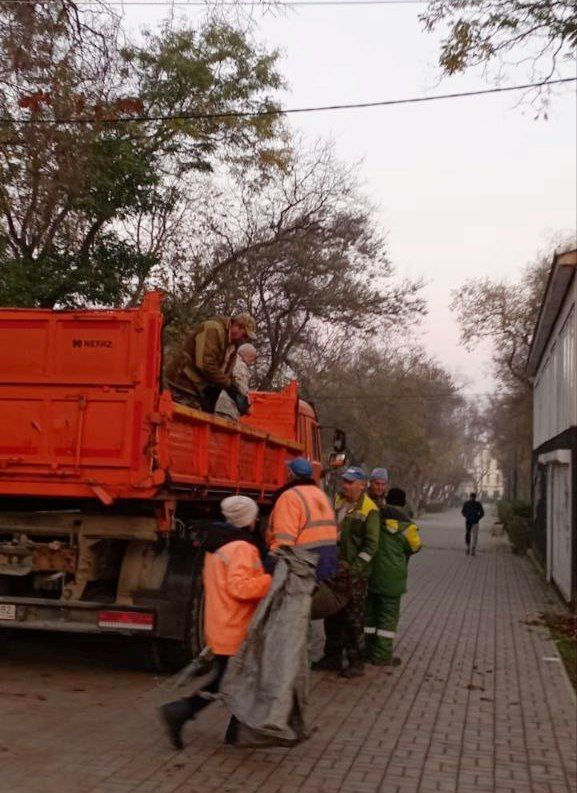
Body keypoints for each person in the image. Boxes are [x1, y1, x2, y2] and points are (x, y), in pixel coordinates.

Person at [160, 495, 272, 750]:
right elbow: (240, 588)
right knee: (228, 681)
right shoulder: (242, 548)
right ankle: (181, 711)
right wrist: (270, 578)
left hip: (221, 623)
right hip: (237, 627)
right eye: (254, 515)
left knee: (230, 680)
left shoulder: (217, 544)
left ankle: (231, 729)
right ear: (247, 520)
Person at [313, 467, 379, 678]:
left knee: (353, 619)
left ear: (362, 485)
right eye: (344, 481)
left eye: (350, 482)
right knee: (332, 616)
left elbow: (371, 546)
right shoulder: (338, 501)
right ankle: (331, 657)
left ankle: (355, 661)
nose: (345, 485)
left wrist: (356, 569)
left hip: (353, 575)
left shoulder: (370, 509)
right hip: (334, 569)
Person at [365, 487, 421, 667]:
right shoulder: (408, 526)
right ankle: (381, 656)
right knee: (388, 617)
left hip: (372, 574)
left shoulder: (375, 518)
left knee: (370, 614)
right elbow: (415, 547)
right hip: (393, 579)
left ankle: (367, 651)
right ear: (403, 503)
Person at [165, 313, 256, 413]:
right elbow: (205, 364)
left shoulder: (232, 345)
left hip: (198, 389)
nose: (244, 339)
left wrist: (237, 394)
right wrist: (228, 386)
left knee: (202, 418)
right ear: (237, 326)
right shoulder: (213, 329)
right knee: (191, 420)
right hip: (183, 382)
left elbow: (226, 373)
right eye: (244, 335)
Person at [267, 457, 338, 583]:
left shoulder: (289, 497)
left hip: (304, 567)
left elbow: (283, 543)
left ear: (290, 475)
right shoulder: (322, 495)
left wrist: (273, 570)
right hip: (328, 565)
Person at [214, 343, 257, 421]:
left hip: (215, 404)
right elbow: (241, 388)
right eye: (252, 359)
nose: (252, 362)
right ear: (248, 356)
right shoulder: (241, 366)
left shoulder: (228, 360)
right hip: (227, 407)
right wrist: (247, 405)